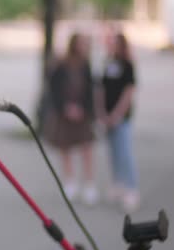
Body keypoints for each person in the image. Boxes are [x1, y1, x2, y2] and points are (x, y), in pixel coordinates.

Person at [45, 33, 97, 205]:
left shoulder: (86, 65)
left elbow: (90, 90)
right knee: (65, 148)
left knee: (86, 149)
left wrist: (84, 110)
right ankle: (70, 182)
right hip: (65, 113)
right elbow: (54, 89)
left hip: (82, 114)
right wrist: (65, 107)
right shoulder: (61, 64)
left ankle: (89, 184)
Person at [100, 33, 140, 213]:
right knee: (113, 152)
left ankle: (131, 188)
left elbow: (128, 92)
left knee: (125, 153)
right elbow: (100, 88)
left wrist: (117, 114)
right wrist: (102, 113)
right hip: (107, 116)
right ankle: (118, 185)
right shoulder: (107, 63)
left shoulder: (128, 65)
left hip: (121, 117)